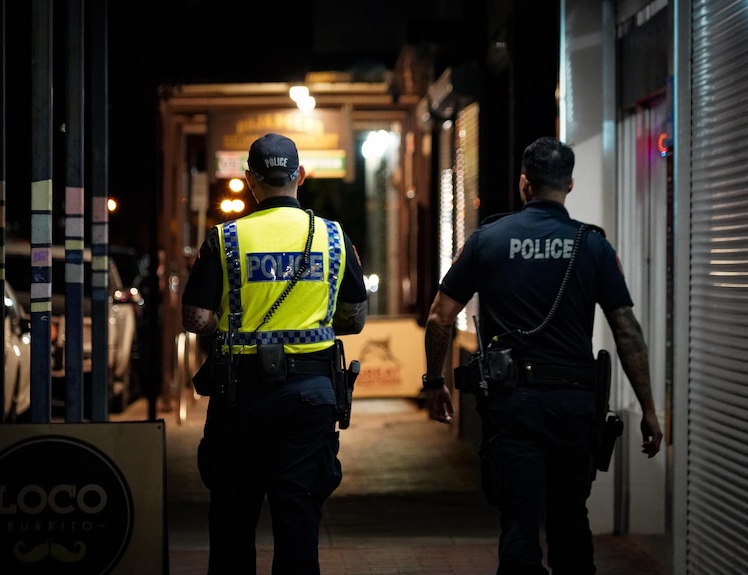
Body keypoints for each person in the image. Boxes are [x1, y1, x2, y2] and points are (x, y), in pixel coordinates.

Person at [422, 136, 663, 575]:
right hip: (573, 406)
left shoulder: (487, 240)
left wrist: (434, 382)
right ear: (569, 185)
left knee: (519, 522)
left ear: (523, 184)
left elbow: (440, 316)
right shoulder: (592, 245)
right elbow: (626, 330)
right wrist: (648, 407)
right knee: (570, 520)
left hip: (511, 405)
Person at [181, 132, 368, 575]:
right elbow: (355, 318)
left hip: (239, 397)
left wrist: (228, 325)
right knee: (299, 519)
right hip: (311, 395)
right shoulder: (334, 238)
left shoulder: (225, 239)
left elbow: (195, 318)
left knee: (232, 521)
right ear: (300, 176)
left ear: (249, 180)